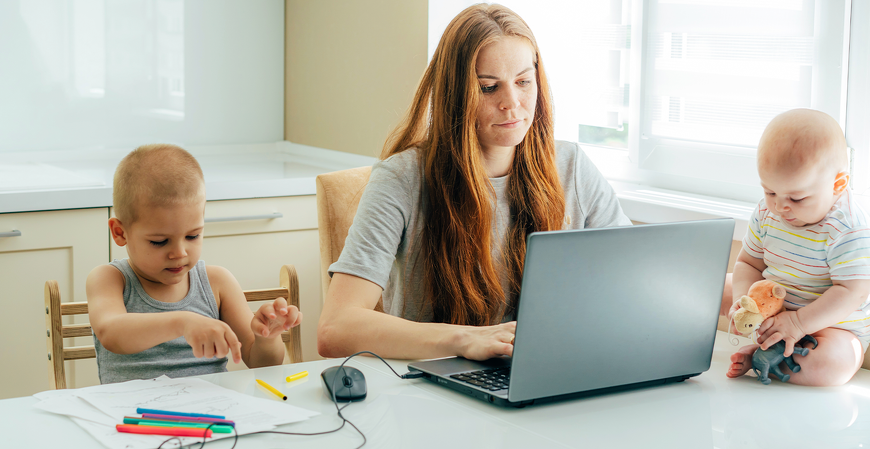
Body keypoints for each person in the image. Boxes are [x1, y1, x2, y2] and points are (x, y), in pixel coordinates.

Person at [317, 4, 634, 361]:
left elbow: (633, 277)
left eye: (523, 82)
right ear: (455, 94)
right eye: (488, 87)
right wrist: (465, 340)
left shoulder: (572, 166)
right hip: (434, 385)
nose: (512, 104)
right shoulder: (401, 179)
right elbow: (335, 329)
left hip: (547, 370)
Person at [87, 144, 302, 384]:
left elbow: (260, 363)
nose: (179, 253)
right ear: (120, 232)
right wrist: (182, 321)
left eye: (192, 236)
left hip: (210, 417)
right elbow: (111, 333)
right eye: (160, 242)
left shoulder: (217, 282)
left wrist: (267, 337)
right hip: (135, 417)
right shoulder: (110, 278)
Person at [726, 109, 870, 386]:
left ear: (838, 185)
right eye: (770, 192)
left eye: (797, 197)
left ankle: (761, 356)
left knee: (833, 366)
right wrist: (744, 303)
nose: (780, 207)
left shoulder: (848, 228)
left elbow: (851, 292)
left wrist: (798, 323)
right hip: (772, 305)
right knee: (707, 289)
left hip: (827, 325)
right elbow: (749, 264)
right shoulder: (768, 212)